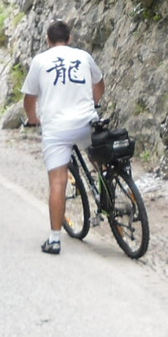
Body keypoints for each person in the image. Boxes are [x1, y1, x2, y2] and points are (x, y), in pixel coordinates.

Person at [21, 21, 105, 256]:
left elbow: (29, 98)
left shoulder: (40, 61)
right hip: (86, 121)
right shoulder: (83, 56)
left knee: (58, 182)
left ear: (48, 40)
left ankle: (55, 239)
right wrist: (95, 104)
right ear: (69, 38)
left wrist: (33, 118)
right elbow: (99, 84)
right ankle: (108, 190)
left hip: (57, 129)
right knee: (100, 158)